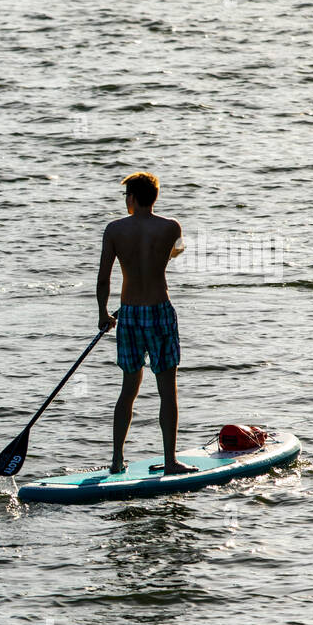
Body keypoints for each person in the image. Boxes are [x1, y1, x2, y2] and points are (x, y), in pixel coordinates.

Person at [97, 172, 197, 475]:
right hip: (159, 311)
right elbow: (176, 252)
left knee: (129, 389)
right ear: (154, 197)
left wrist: (103, 314)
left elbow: (104, 278)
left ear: (131, 197)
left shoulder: (114, 230)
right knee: (168, 390)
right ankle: (170, 462)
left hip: (128, 314)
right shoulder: (170, 227)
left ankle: (117, 459)